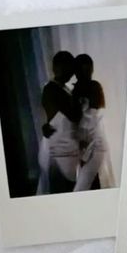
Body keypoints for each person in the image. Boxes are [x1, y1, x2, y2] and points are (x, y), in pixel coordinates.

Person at [37, 51, 82, 194]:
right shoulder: (51, 88)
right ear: (56, 67)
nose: (72, 73)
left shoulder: (65, 88)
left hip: (67, 143)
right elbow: (74, 115)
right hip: (58, 145)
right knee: (61, 187)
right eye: (68, 67)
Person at [72, 53, 115, 191]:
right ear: (76, 72)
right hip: (80, 135)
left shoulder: (95, 86)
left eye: (88, 71)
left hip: (94, 133)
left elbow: (99, 110)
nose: (86, 75)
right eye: (81, 72)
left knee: (96, 169)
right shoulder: (75, 90)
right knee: (84, 170)